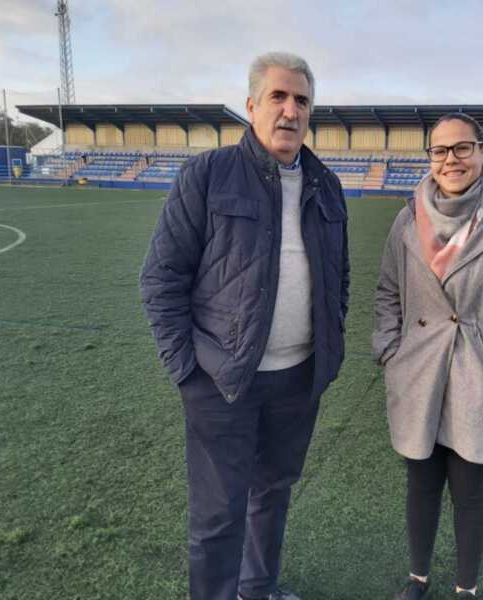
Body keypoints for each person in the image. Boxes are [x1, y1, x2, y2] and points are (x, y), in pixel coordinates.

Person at [140, 52, 349, 600]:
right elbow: (162, 278)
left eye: (301, 100)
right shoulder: (207, 175)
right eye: (277, 97)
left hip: (297, 379)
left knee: (273, 493)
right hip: (219, 381)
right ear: (252, 106)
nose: (290, 110)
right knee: (218, 515)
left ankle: (259, 589)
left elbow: (339, 276)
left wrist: (329, 347)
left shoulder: (325, 185)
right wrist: (186, 371)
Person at [372, 113, 483, 599]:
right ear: (430, 157)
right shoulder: (408, 218)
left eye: (461, 148)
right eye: (439, 150)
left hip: (477, 374)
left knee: (471, 492)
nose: (450, 160)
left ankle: (466, 588)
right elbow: (388, 291)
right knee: (421, 486)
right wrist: (390, 349)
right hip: (418, 372)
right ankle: (418, 578)